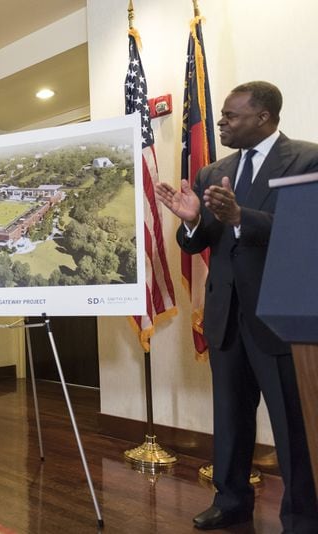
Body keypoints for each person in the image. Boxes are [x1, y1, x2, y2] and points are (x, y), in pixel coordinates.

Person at [156, 81, 318, 532]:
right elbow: (201, 241)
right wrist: (190, 223)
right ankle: (230, 501)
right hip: (226, 316)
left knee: (292, 427)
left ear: (263, 117)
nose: (221, 123)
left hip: (281, 319)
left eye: (231, 116)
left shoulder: (308, 159)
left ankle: (302, 516)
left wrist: (243, 217)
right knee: (229, 418)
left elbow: (305, 231)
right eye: (223, 115)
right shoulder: (213, 172)